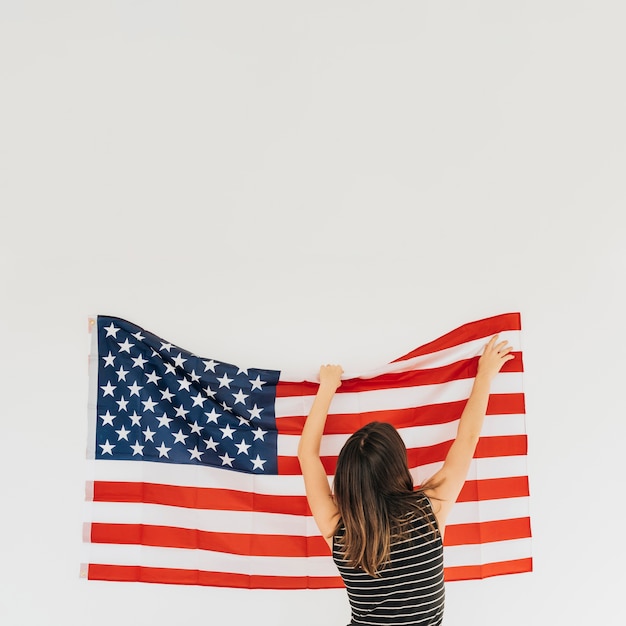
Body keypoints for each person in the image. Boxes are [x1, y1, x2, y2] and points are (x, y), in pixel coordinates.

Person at [297, 334, 515, 626]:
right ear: (397, 467)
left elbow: (306, 455)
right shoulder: (430, 508)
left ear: (348, 478)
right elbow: (468, 439)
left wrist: (327, 387)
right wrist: (485, 374)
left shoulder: (339, 529)